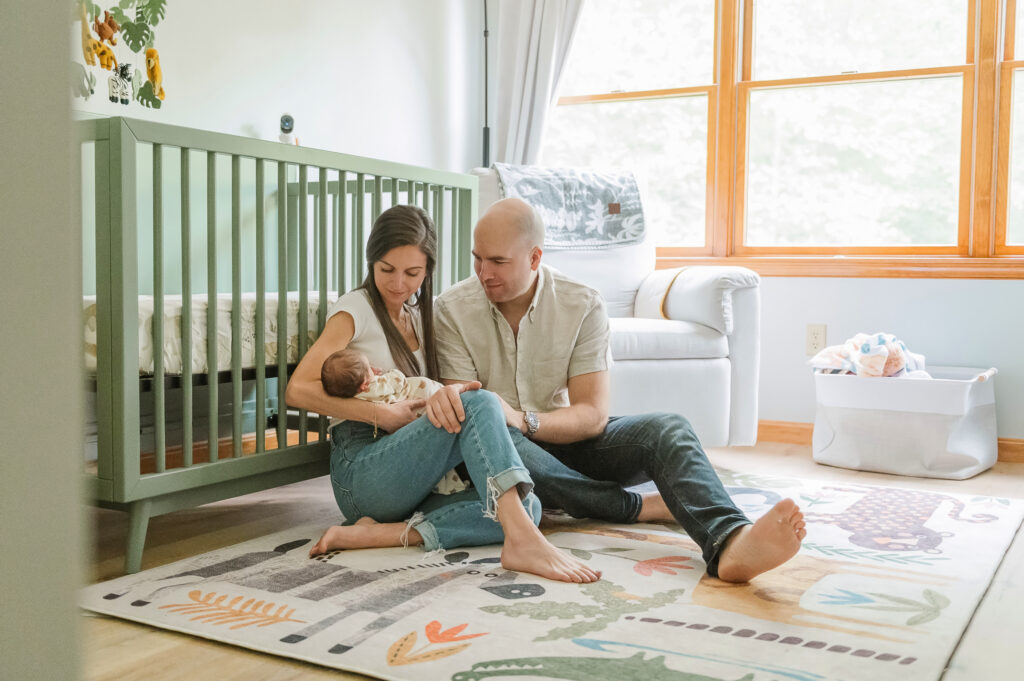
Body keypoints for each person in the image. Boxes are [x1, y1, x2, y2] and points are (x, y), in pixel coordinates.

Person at [427, 197, 806, 583]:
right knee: (504, 440)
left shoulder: (581, 303)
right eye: (478, 259)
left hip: (561, 435)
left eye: (498, 262)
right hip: (500, 455)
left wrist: (524, 420)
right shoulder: (451, 310)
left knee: (668, 429)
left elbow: (591, 416)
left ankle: (730, 539)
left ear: (535, 257)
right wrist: (509, 424)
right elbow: (468, 419)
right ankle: (638, 506)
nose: (483, 272)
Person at [285, 204, 599, 583]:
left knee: (523, 505)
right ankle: (524, 543)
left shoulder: (424, 315)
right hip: (362, 466)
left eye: (412, 273)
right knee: (482, 403)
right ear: (372, 263)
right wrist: (380, 415)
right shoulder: (356, 309)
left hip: (412, 473)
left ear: (427, 271)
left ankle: (379, 533)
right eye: (386, 269)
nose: (398, 284)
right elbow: (297, 389)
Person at [320, 347, 469, 495]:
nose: (373, 369)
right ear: (364, 385)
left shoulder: (358, 396)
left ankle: (454, 484)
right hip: (425, 401)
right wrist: (387, 373)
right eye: (369, 369)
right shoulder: (377, 387)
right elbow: (397, 379)